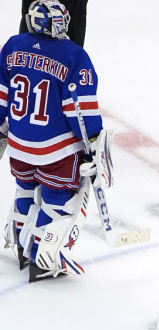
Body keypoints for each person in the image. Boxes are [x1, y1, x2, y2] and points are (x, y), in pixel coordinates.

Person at [1, 0, 106, 282]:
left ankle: (21, 247)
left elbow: (2, 94)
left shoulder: (12, 45)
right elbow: (79, 109)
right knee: (59, 198)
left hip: (20, 144)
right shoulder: (73, 54)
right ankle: (44, 259)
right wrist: (93, 146)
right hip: (56, 148)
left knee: (25, 187)